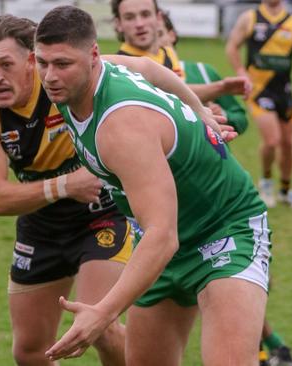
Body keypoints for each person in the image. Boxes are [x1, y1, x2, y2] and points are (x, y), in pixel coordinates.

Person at [0, 14, 221, 366]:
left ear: (31, 61)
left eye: (6, 64)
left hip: (101, 213)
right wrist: (65, 185)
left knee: (102, 324)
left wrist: (198, 109)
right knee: (29, 351)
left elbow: (146, 67)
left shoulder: (63, 75)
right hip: (41, 224)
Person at [35, 6, 271, 365]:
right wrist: (198, 108)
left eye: (62, 64)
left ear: (93, 55)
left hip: (223, 229)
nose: (50, 76)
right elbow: (147, 67)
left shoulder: (123, 126)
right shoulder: (74, 81)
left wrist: (102, 313)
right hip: (162, 240)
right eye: (42, 62)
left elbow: (163, 234)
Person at [160, 12, 292, 366]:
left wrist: (218, 116)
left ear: (173, 35)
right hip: (161, 210)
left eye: (160, 29)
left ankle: (266, 343)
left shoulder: (202, 73)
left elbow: (236, 116)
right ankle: (267, 343)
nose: (149, 33)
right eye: (133, 20)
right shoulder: (130, 80)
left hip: (215, 197)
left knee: (233, 281)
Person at [226, 0, 292, 210]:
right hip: (258, 91)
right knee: (272, 140)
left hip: (284, 92)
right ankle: (266, 182)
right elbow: (232, 46)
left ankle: (285, 190)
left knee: (288, 143)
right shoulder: (250, 18)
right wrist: (240, 70)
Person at [111, 0, 251, 104]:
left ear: (159, 18)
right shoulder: (120, 67)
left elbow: (178, 95)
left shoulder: (167, 52)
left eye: (146, 14)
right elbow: (171, 94)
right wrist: (220, 88)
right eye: (129, 17)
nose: (139, 24)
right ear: (118, 24)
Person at [158, 10, 249, 135]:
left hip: (211, 153)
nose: (154, 41)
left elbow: (241, 119)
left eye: (159, 34)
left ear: (172, 35)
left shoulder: (203, 72)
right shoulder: (137, 78)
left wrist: (222, 114)